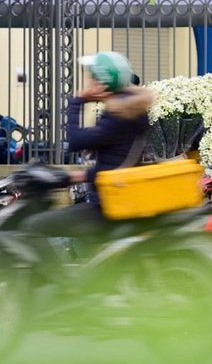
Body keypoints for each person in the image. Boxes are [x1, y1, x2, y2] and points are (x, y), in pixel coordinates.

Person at [19, 51, 154, 273]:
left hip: (105, 208)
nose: (88, 81)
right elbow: (111, 165)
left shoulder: (118, 115)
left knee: (33, 226)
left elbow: (75, 141)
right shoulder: (129, 111)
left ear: (102, 80)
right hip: (115, 199)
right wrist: (68, 177)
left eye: (92, 76)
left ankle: (62, 287)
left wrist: (77, 102)